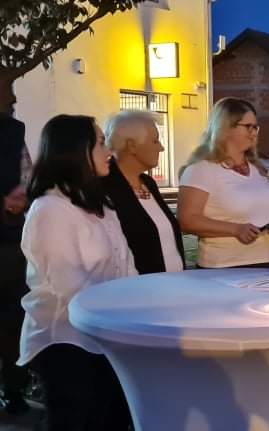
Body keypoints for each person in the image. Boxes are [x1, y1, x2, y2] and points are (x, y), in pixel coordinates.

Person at [20, 115, 137, 430]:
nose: (109, 152)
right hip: (66, 339)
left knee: (113, 419)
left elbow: (125, 265)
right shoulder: (50, 210)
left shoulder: (100, 204)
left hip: (106, 334)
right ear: (75, 150)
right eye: (100, 143)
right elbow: (69, 286)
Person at [178, 98, 269, 269]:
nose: (253, 132)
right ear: (225, 127)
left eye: (255, 127)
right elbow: (187, 220)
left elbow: (267, 212)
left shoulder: (257, 170)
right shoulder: (201, 170)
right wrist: (236, 230)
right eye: (248, 126)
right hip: (224, 267)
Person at [103, 111, 184, 274]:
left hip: (174, 283)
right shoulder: (105, 187)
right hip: (139, 286)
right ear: (132, 145)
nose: (161, 148)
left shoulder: (148, 183)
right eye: (155, 141)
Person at [0, 113, 31, 415]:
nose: (12, 98)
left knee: (14, 316)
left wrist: (21, 195)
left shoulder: (12, 130)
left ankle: (13, 388)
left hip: (10, 240)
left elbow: (26, 175)